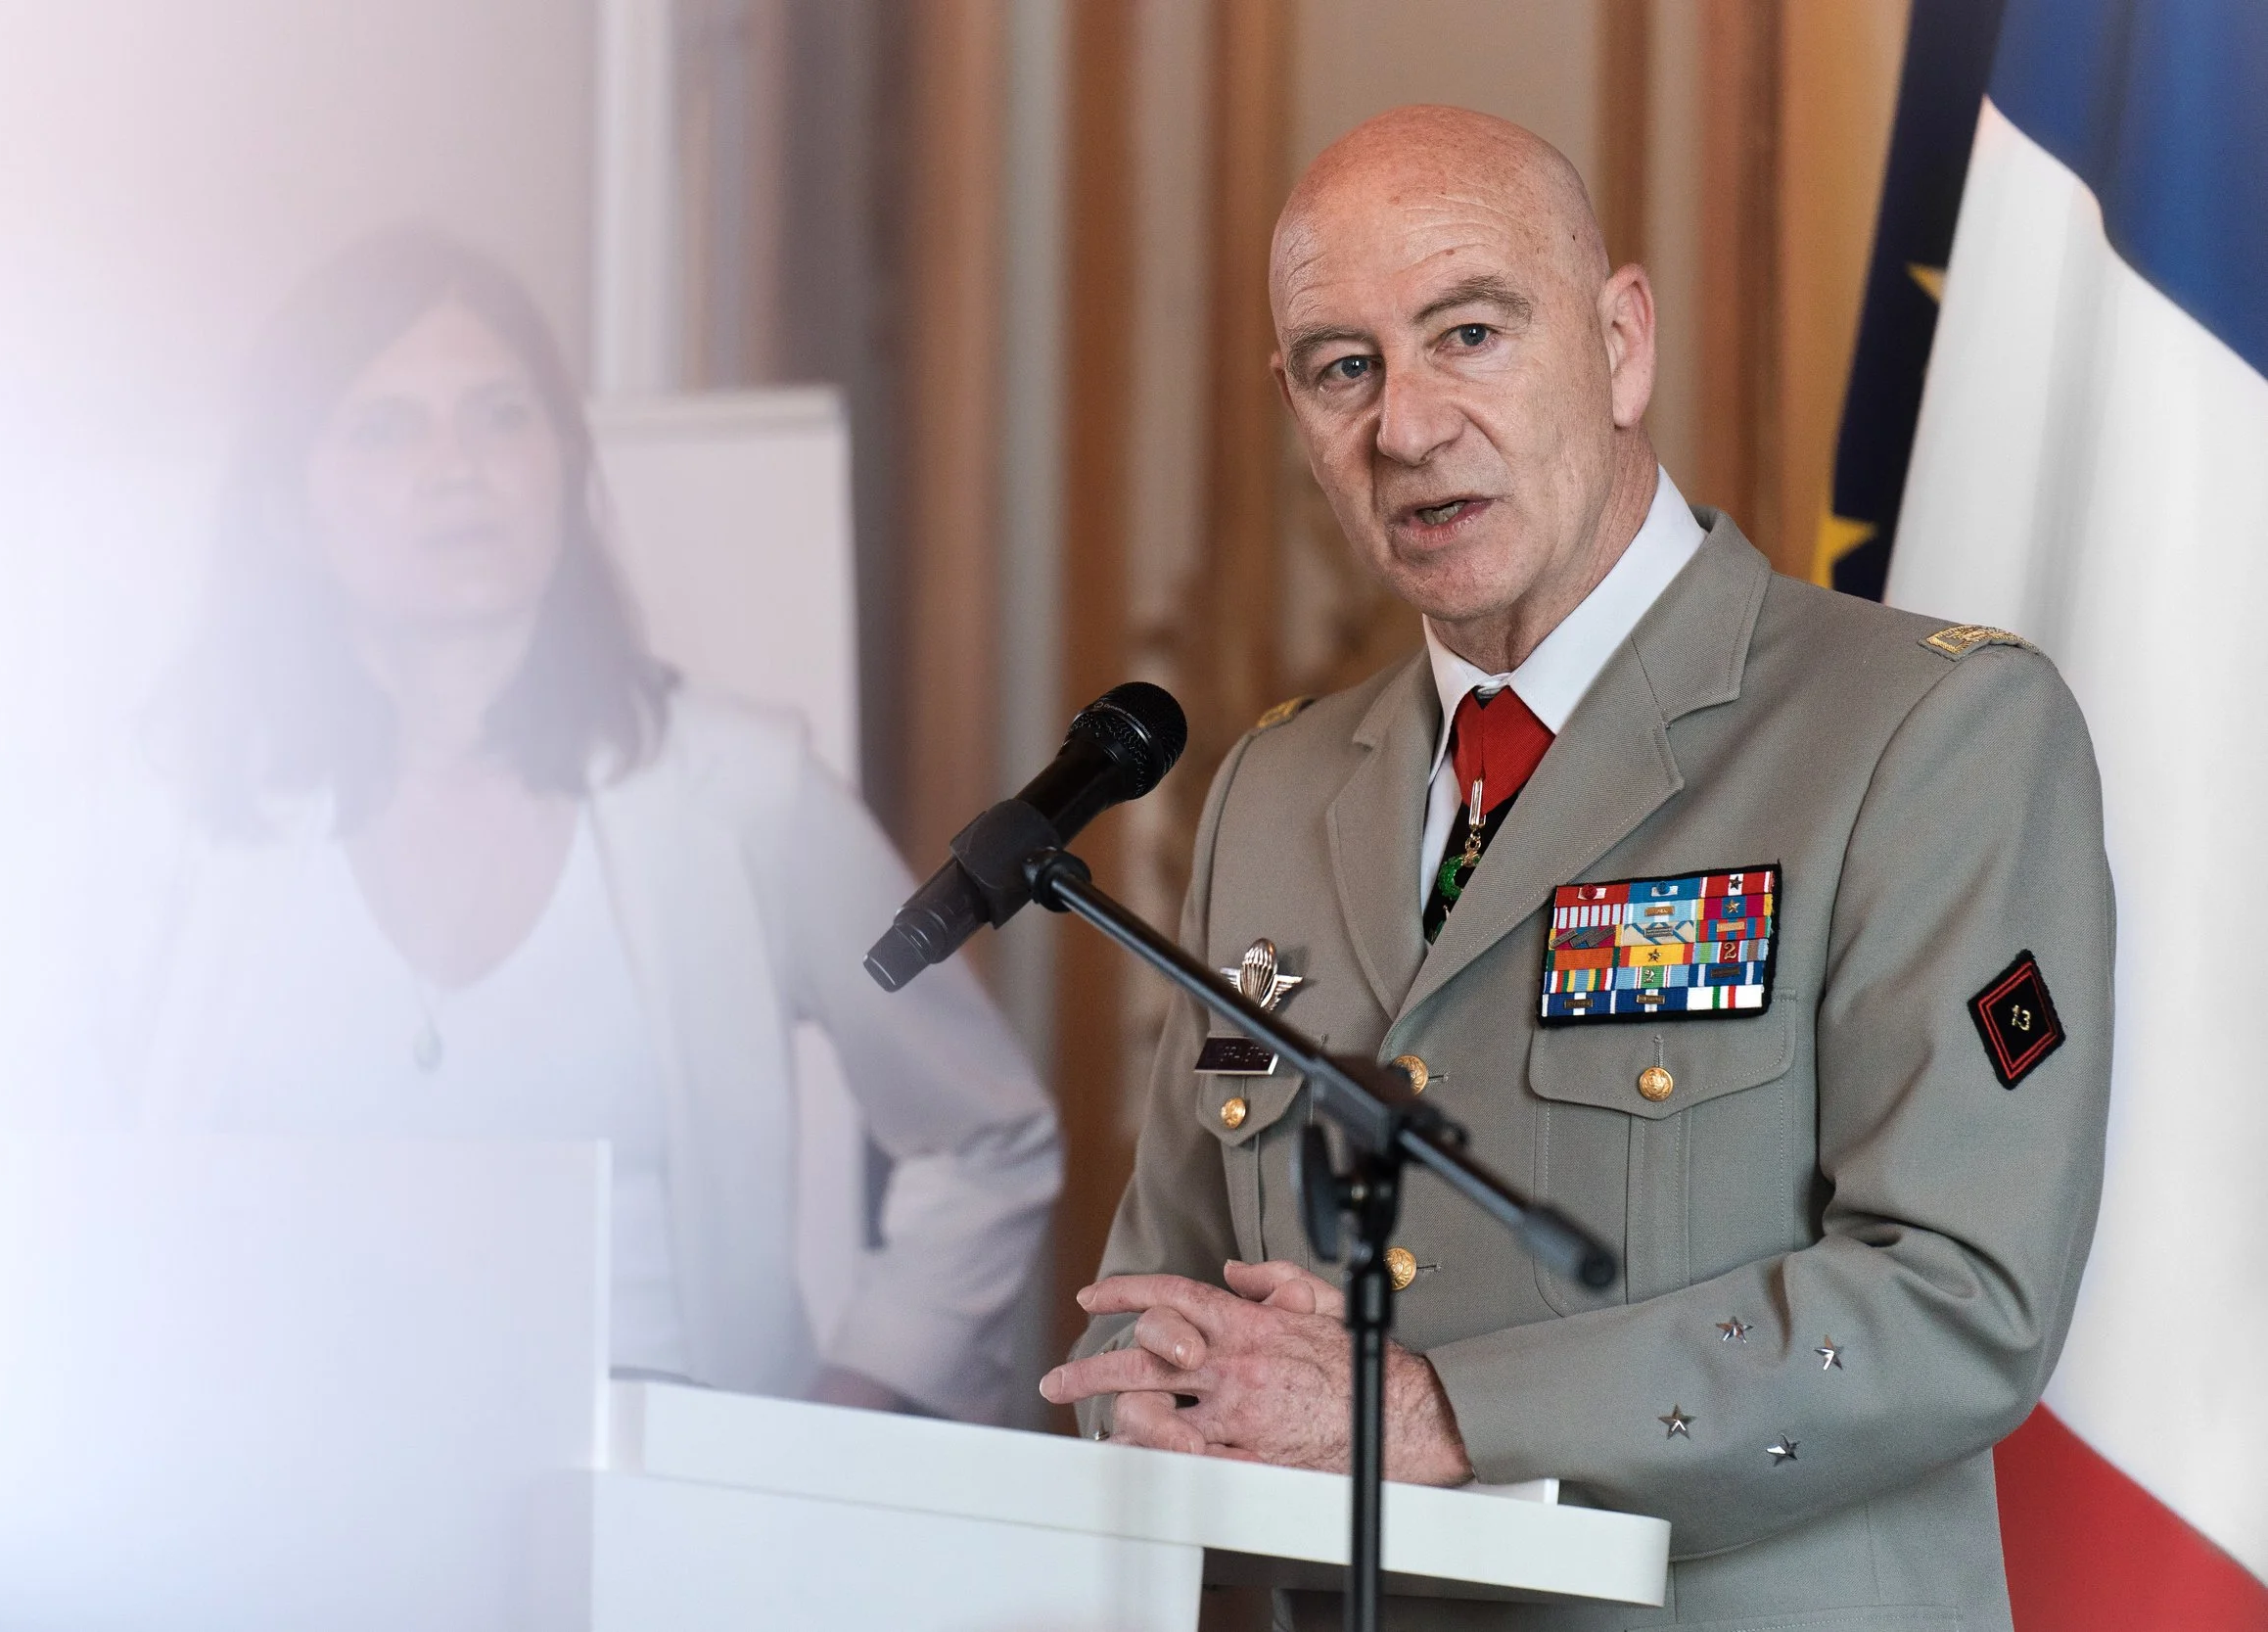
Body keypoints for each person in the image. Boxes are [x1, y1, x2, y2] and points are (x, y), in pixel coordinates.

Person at [1041, 106, 2109, 1629]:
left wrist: (1447, 1411)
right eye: (1344, 367)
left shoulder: (1926, 729)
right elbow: (1154, 1328)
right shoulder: (1270, 792)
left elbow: (1961, 1301)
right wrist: (1155, 1409)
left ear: (1621, 342)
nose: (1404, 426)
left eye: (1468, 331)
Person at [128, 226, 1060, 1422]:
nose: (454, 464)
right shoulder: (176, 818)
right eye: (385, 425)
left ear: (569, 463)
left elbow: (985, 1138)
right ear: (287, 506)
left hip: (646, 1534)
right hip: (257, 1516)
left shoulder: (738, 790)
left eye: (501, 414)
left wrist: (843, 1404)